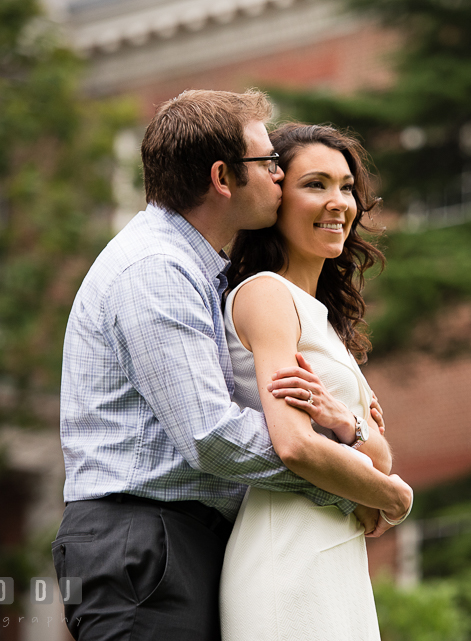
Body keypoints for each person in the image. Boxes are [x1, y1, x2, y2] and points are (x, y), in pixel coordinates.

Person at [53, 90, 412, 641]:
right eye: (269, 164)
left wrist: (353, 447)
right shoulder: (155, 271)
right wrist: (353, 484)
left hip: (182, 539)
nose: (277, 174)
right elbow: (212, 435)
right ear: (223, 178)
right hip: (143, 540)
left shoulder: (205, 276)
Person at [219, 123, 412, 641]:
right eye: (316, 184)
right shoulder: (266, 296)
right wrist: (394, 498)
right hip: (289, 555)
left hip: (334, 554)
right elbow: (294, 445)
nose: (339, 202)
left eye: (346, 186)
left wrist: (346, 424)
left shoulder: (322, 319)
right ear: (276, 198)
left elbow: (380, 453)